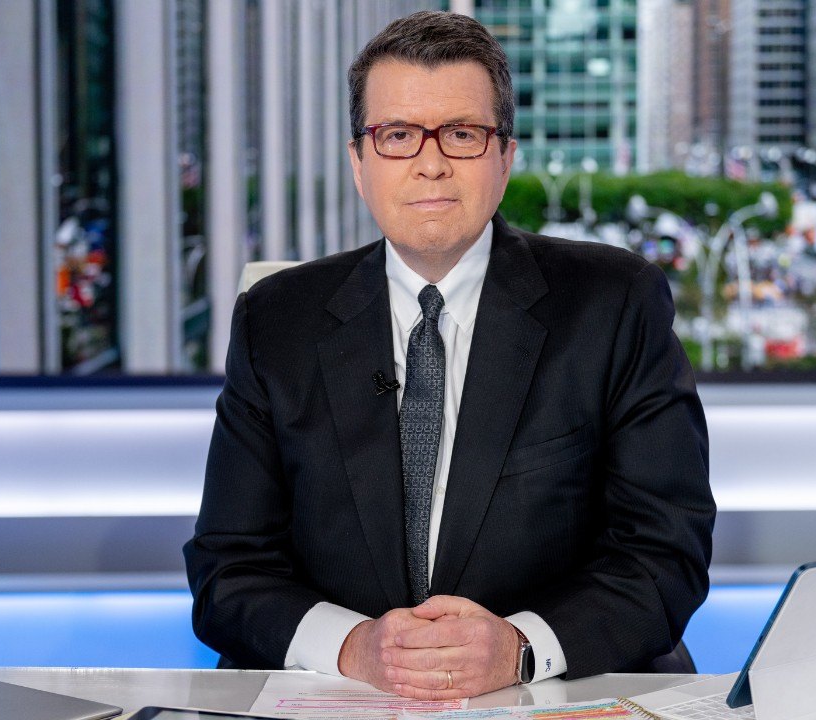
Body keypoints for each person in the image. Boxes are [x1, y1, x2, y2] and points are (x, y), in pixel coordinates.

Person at [184, 10, 714, 701]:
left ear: (505, 155)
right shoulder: (275, 319)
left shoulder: (614, 302)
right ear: (358, 161)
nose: (430, 162)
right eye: (398, 135)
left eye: (461, 134)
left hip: (555, 697)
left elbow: (664, 553)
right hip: (346, 702)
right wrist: (355, 646)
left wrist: (520, 647)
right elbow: (228, 570)